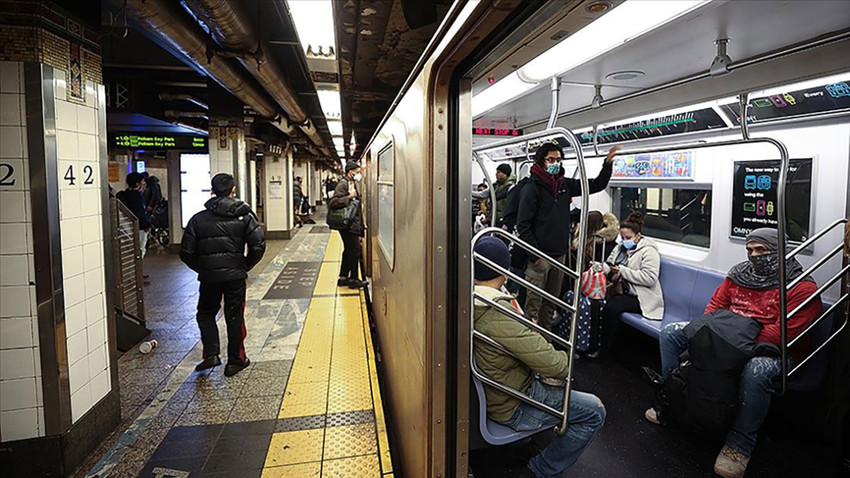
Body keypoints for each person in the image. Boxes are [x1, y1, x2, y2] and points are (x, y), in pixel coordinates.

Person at [645, 228, 821, 478]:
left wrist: (725, 342)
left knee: (756, 370)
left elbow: (781, 334)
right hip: (728, 336)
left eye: (762, 250)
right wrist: (720, 337)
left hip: (775, 351)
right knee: (671, 333)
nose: (754, 255)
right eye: (750, 250)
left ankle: (740, 444)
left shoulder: (801, 287)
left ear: (781, 250)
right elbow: (714, 307)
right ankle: (670, 402)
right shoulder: (739, 274)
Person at [473, 237, 605, 478]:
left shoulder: (470, 300)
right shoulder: (498, 314)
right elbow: (557, 367)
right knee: (594, 411)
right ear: (504, 271)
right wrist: (559, 352)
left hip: (497, 389)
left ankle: (520, 446)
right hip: (513, 403)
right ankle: (539, 471)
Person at [517, 144, 621, 330]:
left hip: (559, 256)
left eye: (558, 160)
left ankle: (546, 343)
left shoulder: (565, 185)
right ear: (541, 161)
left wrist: (607, 165)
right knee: (533, 308)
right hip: (539, 258)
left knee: (550, 305)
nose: (555, 163)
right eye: (551, 160)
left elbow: (597, 184)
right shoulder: (531, 188)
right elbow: (523, 225)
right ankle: (529, 348)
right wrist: (535, 256)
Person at [180, 173, 266, 377]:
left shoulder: (198, 219)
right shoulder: (245, 216)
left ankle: (211, 354)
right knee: (234, 315)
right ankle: (235, 361)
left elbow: (186, 252)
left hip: (209, 278)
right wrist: (244, 265)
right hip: (235, 276)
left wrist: (204, 268)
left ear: (212, 190)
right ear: (233, 190)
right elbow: (259, 246)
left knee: (206, 313)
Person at [594, 211, 664, 357]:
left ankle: (605, 350)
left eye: (628, 238)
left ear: (638, 236)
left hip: (643, 296)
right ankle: (594, 343)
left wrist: (623, 271)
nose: (625, 241)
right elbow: (610, 264)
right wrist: (602, 267)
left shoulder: (649, 252)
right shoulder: (620, 248)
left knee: (611, 308)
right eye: (623, 237)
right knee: (596, 302)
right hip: (622, 291)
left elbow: (649, 278)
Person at [329, 161, 367, 289]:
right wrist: (349, 197)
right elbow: (334, 202)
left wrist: (362, 223)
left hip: (351, 222)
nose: (359, 173)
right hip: (346, 224)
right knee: (355, 250)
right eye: (357, 171)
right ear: (351, 172)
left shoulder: (351, 182)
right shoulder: (343, 183)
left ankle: (343, 277)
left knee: (349, 250)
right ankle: (354, 279)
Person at [117, 172, 151, 258]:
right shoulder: (136, 196)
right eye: (142, 181)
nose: (144, 183)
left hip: (126, 228)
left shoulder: (124, 195)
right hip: (139, 228)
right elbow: (140, 213)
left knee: (130, 251)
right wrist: (146, 225)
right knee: (139, 250)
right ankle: (138, 270)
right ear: (137, 183)